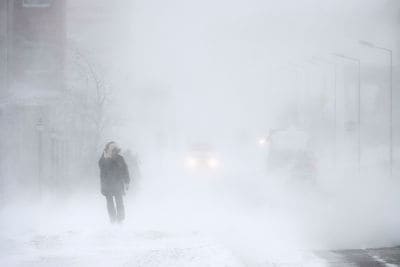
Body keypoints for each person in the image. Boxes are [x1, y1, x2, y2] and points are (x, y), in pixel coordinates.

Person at [98, 141, 130, 223]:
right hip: (107, 185)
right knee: (110, 202)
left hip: (118, 184)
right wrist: (107, 159)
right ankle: (112, 219)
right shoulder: (103, 160)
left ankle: (120, 220)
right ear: (107, 149)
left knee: (119, 201)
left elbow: (125, 170)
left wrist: (127, 181)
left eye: (115, 149)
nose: (114, 151)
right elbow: (104, 170)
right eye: (112, 149)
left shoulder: (120, 158)